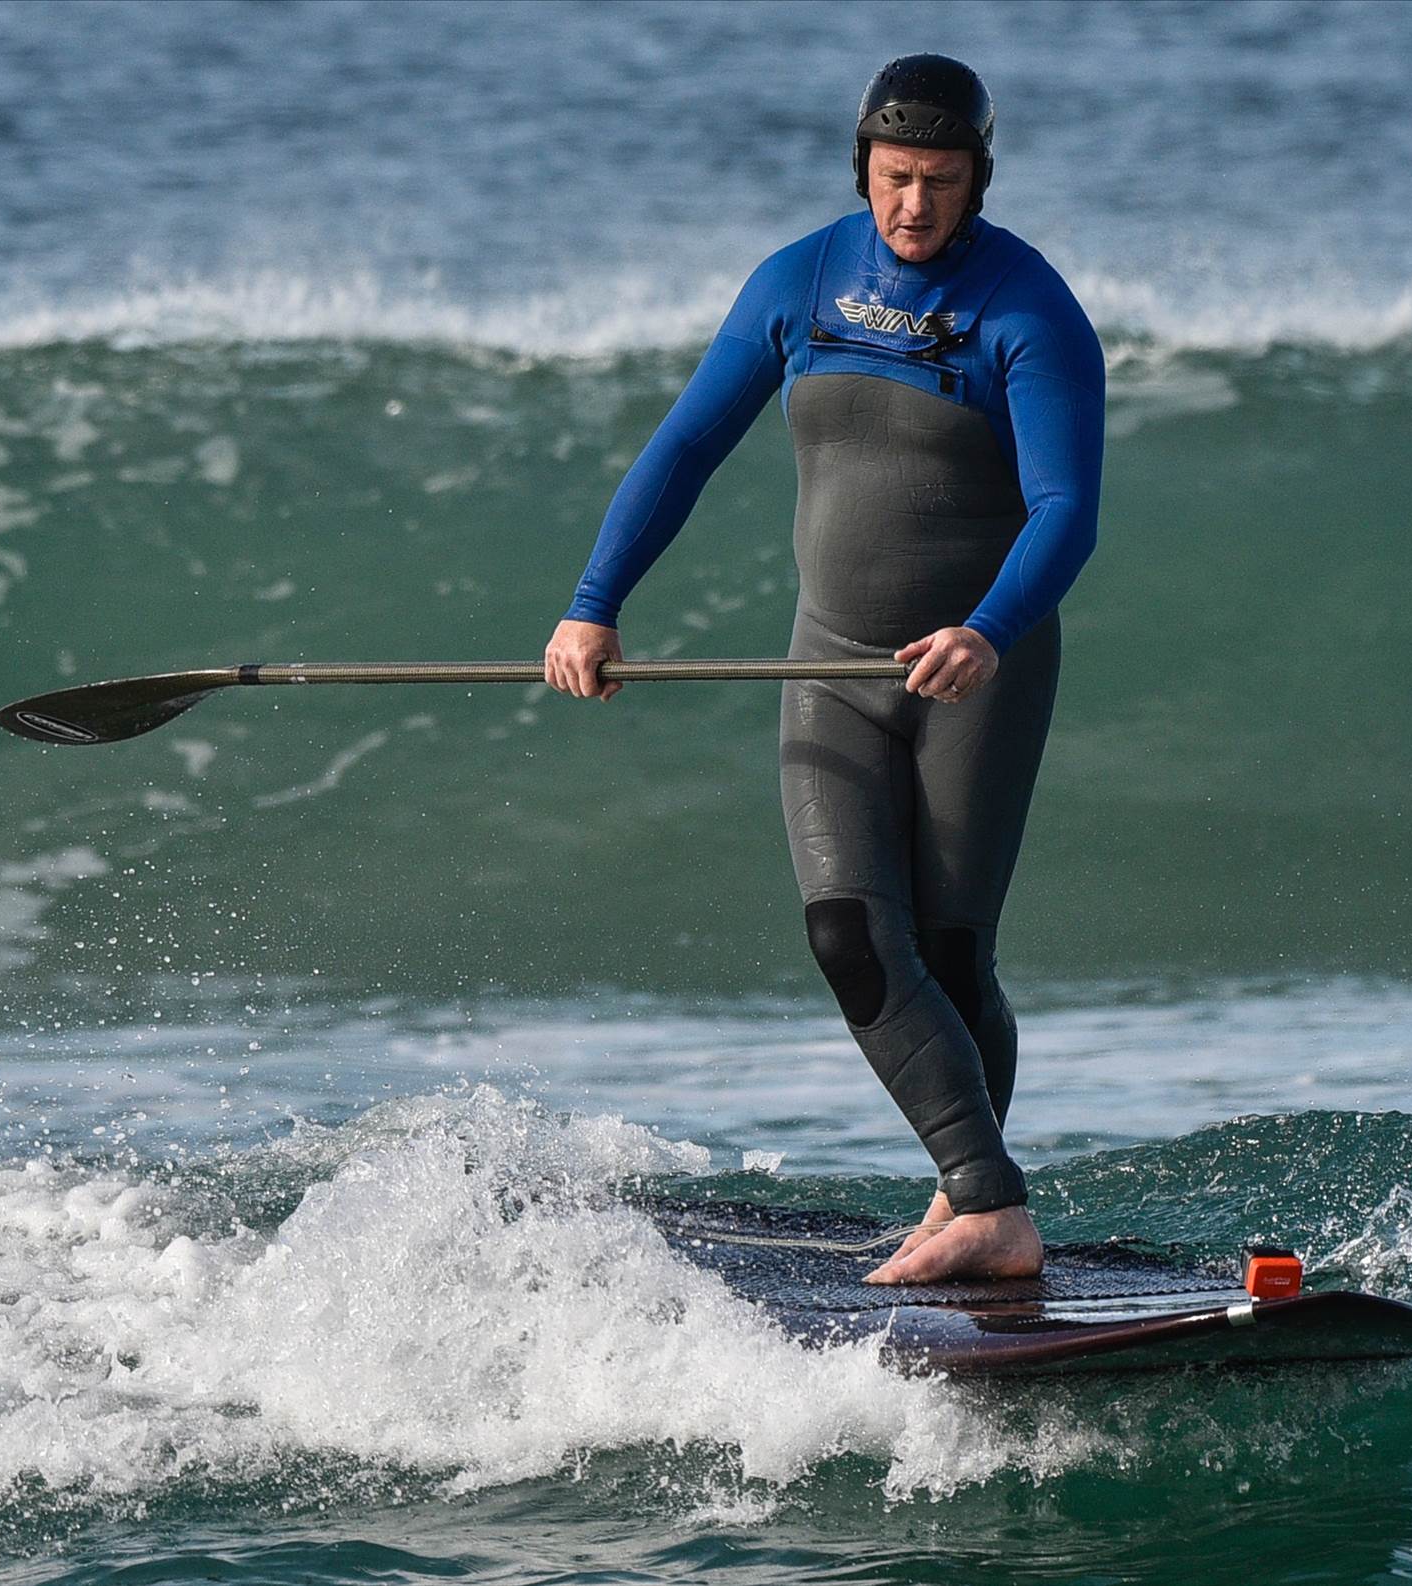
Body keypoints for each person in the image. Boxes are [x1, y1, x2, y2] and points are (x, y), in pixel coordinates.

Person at [545, 54, 1103, 1283]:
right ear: (863, 167)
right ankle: (988, 1199)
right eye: (896, 176)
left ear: (979, 180)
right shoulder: (799, 281)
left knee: (950, 957)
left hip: (976, 674)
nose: (916, 204)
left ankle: (973, 1198)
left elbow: (1068, 508)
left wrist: (988, 628)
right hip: (829, 666)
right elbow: (686, 445)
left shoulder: (1027, 309)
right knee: (851, 934)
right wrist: (595, 605)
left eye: (942, 180)